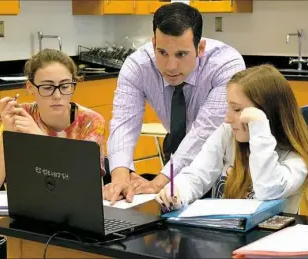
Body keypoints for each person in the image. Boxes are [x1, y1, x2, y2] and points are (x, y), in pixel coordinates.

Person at [104, 2, 246, 204]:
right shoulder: (137, 66)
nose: (171, 66)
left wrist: (158, 182)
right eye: (162, 53)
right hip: (176, 164)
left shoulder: (226, 65)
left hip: (227, 165)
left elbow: (203, 132)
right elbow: (123, 124)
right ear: (153, 44)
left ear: (201, 48)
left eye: (181, 54)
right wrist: (120, 178)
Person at [156, 64, 308, 216]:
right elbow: (197, 175)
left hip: (266, 243)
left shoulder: (296, 158)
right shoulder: (227, 133)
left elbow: (268, 189)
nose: (228, 119)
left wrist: (259, 127)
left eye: (237, 109)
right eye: (228, 107)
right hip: (225, 237)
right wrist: (177, 191)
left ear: (266, 113)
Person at [0, 49, 106, 195]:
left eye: (65, 86)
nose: (57, 95)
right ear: (30, 87)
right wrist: (7, 136)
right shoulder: (21, 116)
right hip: (29, 206)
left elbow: (84, 186)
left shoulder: (91, 121)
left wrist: (40, 137)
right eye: (47, 87)